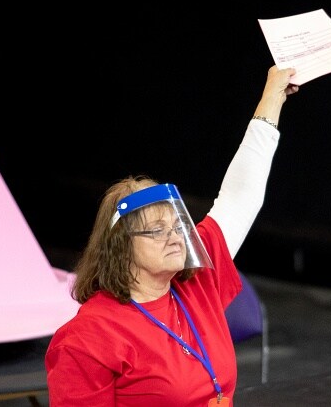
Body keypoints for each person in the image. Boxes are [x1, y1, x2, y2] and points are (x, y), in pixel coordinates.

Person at [45, 65, 299, 406]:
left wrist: (273, 95)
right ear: (121, 246)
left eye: (179, 226)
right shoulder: (89, 337)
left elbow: (242, 195)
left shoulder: (197, 281)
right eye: (157, 230)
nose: (176, 237)